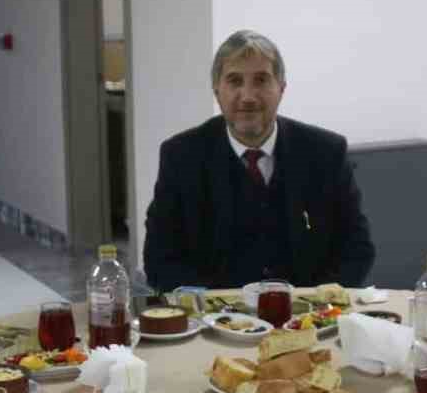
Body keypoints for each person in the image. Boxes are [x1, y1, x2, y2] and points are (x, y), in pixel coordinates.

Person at [144, 30, 375, 292]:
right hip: (214, 312)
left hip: (308, 310)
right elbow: (160, 260)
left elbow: (357, 249)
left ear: (281, 89)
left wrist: (315, 302)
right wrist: (213, 306)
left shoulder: (326, 153)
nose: (248, 96)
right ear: (217, 91)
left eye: (261, 80)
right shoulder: (181, 157)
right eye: (235, 81)